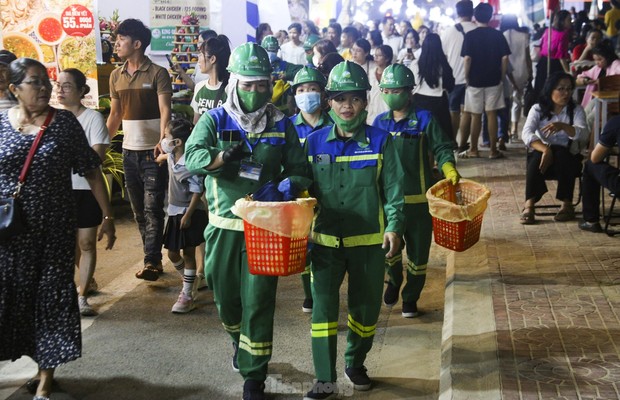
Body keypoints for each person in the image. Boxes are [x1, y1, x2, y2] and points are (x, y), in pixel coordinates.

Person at [185, 43, 309, 400]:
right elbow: (192, 156)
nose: (255, 91)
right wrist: (222, 157)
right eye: (248, 84)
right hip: (224, 225)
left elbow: (299, 168)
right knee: (225, 299)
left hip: (264, 228)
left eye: (262, 84)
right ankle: (238, 341)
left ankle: (255, 374)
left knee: (259, 301)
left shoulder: (281, 123)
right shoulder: (215, 120)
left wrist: (287, 185)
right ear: (234, 83)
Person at [0, 57, 115, 400]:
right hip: (10, 234)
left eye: (45, 81)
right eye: (34, 82)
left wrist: (108, 217)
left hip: (54, 231)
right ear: (14, 89)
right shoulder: (1, 124)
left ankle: (45, 379)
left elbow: (91, 170)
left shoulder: (63, 123)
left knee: (51, 297)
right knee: (11, 296)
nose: (44, 88)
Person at [302, 60, 404, 399]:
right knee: (323, 313)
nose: (347, 106)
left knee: (365, 309)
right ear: (329, 102)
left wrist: (394, 227)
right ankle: (324, 378)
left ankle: (355, 362)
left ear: (365, 101)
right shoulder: (313, 143)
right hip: (325, 244)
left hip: (368, 243)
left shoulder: (381, 141)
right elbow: (302, 192)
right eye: (340, 99)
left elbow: (394, 190)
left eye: (355, 99)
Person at [373, 63, 459, 318]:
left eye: (397, 90)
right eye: (387, 90)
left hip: (419, 203)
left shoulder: (424, 119)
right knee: (389, 251)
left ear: (409, 91)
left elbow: (442, 147)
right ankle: (393, 280)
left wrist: (448, 168)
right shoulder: (378, 123)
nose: (391, 95)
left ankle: (411, 297)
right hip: (389, 202)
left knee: (419, 257)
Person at [106, 19, 172, 281]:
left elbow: (165, 110)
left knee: (152, 208)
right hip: (128, 153)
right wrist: (100, 146)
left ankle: (151, 261)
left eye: (121, 39)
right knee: (138, 211)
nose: (116, 44)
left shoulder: (158, 73)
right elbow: (115, 115)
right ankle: (152, 257)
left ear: (137, 44)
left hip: (152, 154)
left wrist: (162, 140)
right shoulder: (115, 76)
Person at [57, 68, 111, 317]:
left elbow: (95, 158)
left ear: (81, 91)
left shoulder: (93, 118)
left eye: (67, 85)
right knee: (68, 248)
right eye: (58, 85)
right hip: (60, 192)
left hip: (87, 190)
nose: (60, 90)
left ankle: (82, 297)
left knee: (86, 243)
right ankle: (80, 285)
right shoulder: (53, 120)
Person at [289, 66, 332, 313]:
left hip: (328, 196)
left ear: (323, 94)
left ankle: (322, 293)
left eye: (313, 89)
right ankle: (309, 294)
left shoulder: (334, 124)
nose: (307, 94)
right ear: (295, 95)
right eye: (301, 90)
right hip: (298, 199)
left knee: (324, 248)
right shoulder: (287, 126)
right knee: (302, 247)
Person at [520, 72, 588, 225]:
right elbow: (526, 133)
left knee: (563, 154)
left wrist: (564, 126)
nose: (566, 93)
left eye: (569, 89)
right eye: (561, 89)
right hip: (544, 157)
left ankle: (567, 204)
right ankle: (529, 205)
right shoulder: (537, 109)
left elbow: (584, 133)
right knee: (535, 157)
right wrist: (545, 149)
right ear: (550, 90)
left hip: (567, 159)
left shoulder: (576, 110)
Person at [156, 118, 208, 313]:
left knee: (188, 254)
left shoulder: (190, 164)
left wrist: (188, 214)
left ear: (177, 142)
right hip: (174, 211)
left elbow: (197, 191)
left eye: (166, 137)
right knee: (172, 253)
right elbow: (166, 158)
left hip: (189, 212)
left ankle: (187, 295)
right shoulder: (172, 155)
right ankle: (190, 281)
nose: (163, 140)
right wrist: (160, 158)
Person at [458, 2, 511, 159]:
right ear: (490, 17)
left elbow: (467, 59)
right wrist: (501, 76)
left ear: (475, 17)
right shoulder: (498, 35)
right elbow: (505, 58)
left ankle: (474, 149)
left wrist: (467, 77)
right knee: (491, 113)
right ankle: (493, 150)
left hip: (474, 81)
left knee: (475, 115)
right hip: (494, 80)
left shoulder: (470, 36)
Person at [441, 0, 477, 142]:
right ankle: (463, 143)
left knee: (453, 111)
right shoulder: (477, 30)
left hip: (454, 78)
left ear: (457, 13)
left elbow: (443, 56)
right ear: (472, 12)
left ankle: (452, 141)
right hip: (473, 79)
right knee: (468, 112)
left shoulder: (448, 32)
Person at [411, 33, 455, 145]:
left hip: (419, 101)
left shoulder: (415, 64)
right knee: (440, 137)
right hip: (439, 102)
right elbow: (450, 85)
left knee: (421, 136)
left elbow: (411, 85)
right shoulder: (444, 65)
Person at [579, 114, 620, 232]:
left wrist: (611, 147)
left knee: (590, 165)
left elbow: (595, 157)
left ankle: (591, 221)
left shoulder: (616, 122)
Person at [501, 14, 532, 141]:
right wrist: (530, 72)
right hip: (521, 71)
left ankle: (506, 128)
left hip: (505, 72)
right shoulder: (524, 36)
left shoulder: (501, 35)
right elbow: (528, 57)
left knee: (505, 102)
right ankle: (514, 129)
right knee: (517, 101)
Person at [576, 42, 620, 130]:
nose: (597, 62)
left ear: (608, 56)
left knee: (589, 119)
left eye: (600, 59)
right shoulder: (598, 68)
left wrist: (602, 81)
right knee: (583, 115)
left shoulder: (616, 64)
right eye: (595, 60)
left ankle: (581, 136)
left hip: (613, 102)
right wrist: (585, 80)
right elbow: (581, 76)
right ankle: (579, 134)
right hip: (599, 99)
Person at [191, 35, 231, 123]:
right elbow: (196, 123)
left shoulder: (230, 89)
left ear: (212, 59)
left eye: (201, 55)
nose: (198, 60)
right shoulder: (199, 87)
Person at [533, 10, 571, 99]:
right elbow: (561, 56)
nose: (570, 22)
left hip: (543, 62)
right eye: (569, 19)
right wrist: (568, 72)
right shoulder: (563, 34)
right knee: (553, 90)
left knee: (541, 88)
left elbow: (542, 45)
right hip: (554, 65)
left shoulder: (548, 30)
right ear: (562, 21)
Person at [367, 44, 392, 123]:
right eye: (375, 55)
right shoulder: (371, 72)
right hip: (372, 111)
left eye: (379, 55)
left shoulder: (392, 73)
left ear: (387, 58)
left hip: (388, 110)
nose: (376, 58)